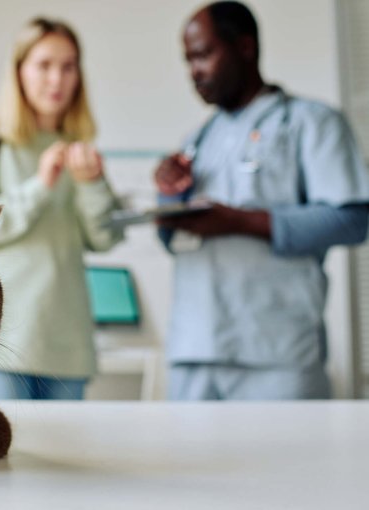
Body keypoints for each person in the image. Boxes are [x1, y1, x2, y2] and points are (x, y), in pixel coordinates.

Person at [155, 1, 369, 400]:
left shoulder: (312, 122)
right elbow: (172, 243)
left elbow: (353, 219)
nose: (194, 72)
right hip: (195, 350)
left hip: (277, 355)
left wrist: (238, 221)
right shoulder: (195, 141)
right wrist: (168, 197)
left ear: (245, 47)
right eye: (188, 61)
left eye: (203, 55)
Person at [0, 17, 122, 400]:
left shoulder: (80, 150)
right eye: (44, 65)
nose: (57, 79)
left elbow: (105, 238)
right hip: (1, 343)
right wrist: (39, 186)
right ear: (20, 71)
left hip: (68, 348)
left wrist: (92, 184)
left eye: (68, 66)